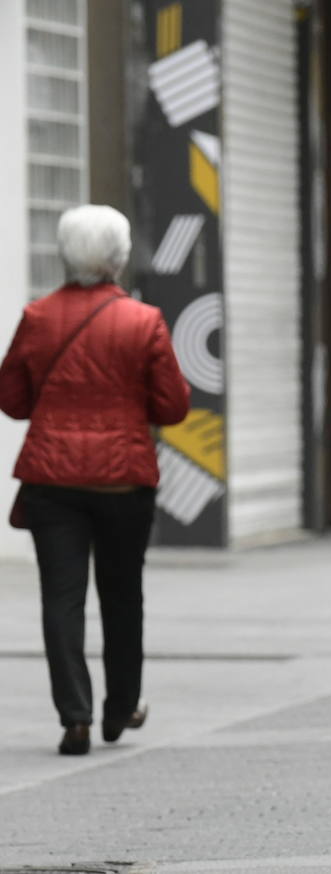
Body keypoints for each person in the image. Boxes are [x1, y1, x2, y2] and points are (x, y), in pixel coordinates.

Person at [0, 204, 189, 756]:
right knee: (122, 596)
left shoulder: (38, 317)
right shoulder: (143, 320)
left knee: (61, 598)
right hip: (123, 483)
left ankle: (75, 718)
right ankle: (121, 708)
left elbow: (11, 399)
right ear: (118, 257)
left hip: (52, 483)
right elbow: (173, 406)